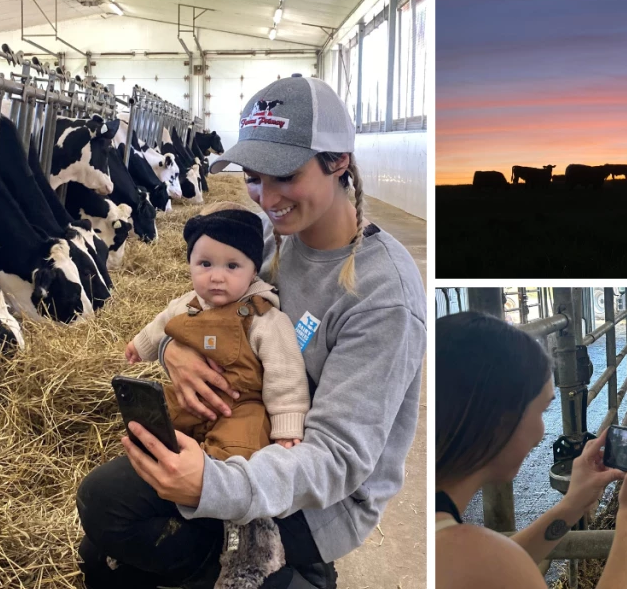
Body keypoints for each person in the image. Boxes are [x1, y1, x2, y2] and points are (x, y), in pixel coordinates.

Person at [75, 74, 426, 589]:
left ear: (339, 161)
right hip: (236, 431)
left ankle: (289, 573)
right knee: (101, 528)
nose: (267, 195)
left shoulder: (381, 293)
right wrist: (175, 349)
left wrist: (212, 484)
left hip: (314, 496)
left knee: (118, 535)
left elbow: (336, 460)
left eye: (284, 174)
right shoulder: (272, 234)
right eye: (254, 176)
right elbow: (208, 305)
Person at [436, 311, 627, 588]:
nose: (542, 432)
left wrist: (573, 503)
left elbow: (501, 562)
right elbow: (501, 566)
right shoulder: (482, 556)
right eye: (542, 410)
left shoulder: (445, 537)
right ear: (501, 422)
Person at [125, 201, 310, 459]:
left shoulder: (264, 318)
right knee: (149, 419)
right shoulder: (187, 303)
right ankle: (157, 454)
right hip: (190, 397)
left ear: (254, 271)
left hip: (242, 406)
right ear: (189, 264)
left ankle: (212, 474)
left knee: (239, 448)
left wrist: (287, 424)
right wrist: (140, 345)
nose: (216, 277)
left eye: (232, 266)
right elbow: (161, 324)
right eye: (205, 264)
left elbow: (286, 373)